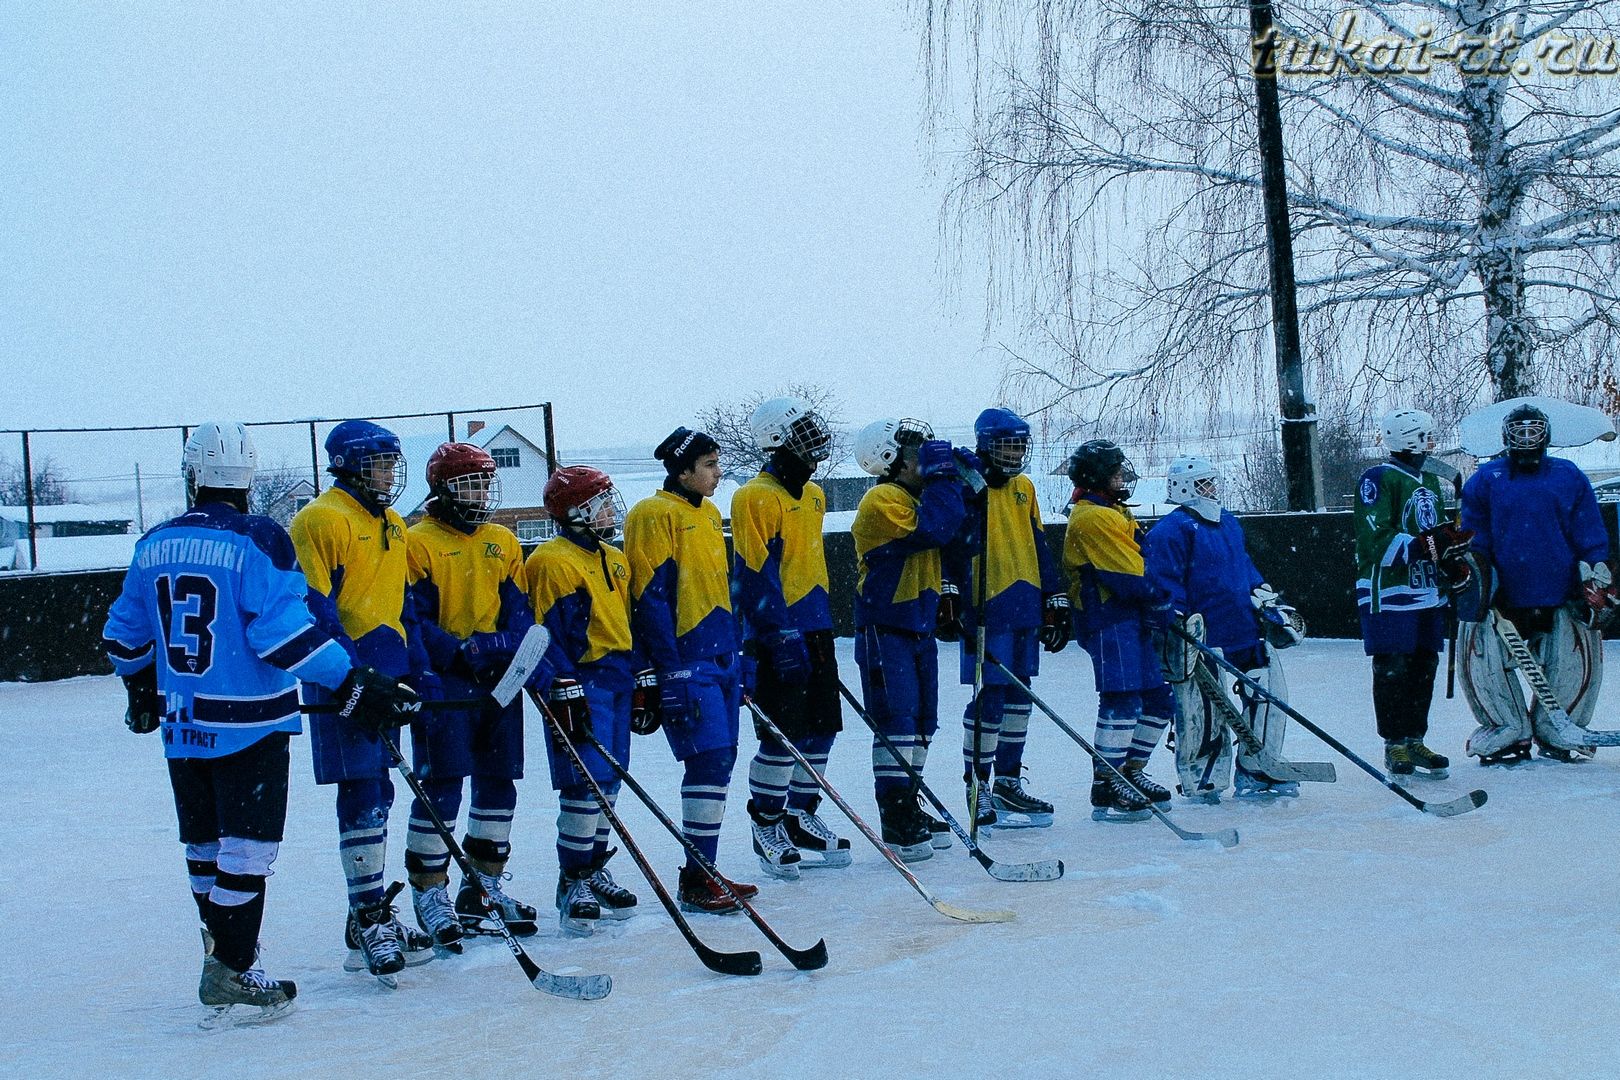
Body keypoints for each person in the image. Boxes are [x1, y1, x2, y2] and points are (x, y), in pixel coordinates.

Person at [103, 422, 414, 1021]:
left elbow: (123, 636)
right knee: (246, 852)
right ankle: (235, 969)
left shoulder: (154, 542)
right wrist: (351, 679)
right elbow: (282, 637)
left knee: (203, 847)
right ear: (248, 474)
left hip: (182, 726)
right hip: (251, 726)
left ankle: (222, 952)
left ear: (193, 473)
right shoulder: (260, 538)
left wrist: (141, 686)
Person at [290, 419, 437, 980]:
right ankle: (367, 914)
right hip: (344, 680)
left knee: (380, 786)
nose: (390, 474)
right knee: (360, 790)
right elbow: (315, 609)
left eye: (393, 464)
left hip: (390, 674)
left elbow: (402, 604)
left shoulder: (396, 524)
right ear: (349, 464)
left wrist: (414, 670)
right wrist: (352, 676)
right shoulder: (318, 520)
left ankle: (371, 908)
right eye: (381, 463)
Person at [403, 442, 559, 949]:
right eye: (468, 482)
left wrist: (507, 645)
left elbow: (517, 608)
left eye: (484, 481)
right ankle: (429, 891)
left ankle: (483, 888)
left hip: (499, 681)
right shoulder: (417, 541)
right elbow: (413, 617)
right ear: (441, 488)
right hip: (447, 684)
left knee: (498, 784)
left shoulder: (503, 540)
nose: (479, 492)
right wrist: (457, 652)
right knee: (442, 785)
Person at [623, 427, 758, 913]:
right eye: (708, 465)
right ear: (682, 471)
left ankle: (705, 871)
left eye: (717, 463)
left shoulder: (706, 515)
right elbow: (649, 599)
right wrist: (667, 670)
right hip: (689, 662)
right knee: (707, 761)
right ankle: (698, 879)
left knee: (721, 764)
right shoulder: (653, 514)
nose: (718, 473)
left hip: (722, 658)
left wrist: (739, 657)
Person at [733, 397, 852, 879]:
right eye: (801, 431)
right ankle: (766, 819)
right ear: (776, 439)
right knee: (782, 732)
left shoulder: (816, 495)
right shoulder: (753, 497)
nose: (813, 437)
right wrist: (776, 632)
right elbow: (753, 570)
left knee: (822, 726)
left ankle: (801, 812)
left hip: (817, 625)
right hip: (775, 632)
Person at [1459, 403, 1613, 764]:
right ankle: (1506, 731)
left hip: (1562, 593)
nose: (1526, 438)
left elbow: (1588, 529)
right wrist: (1476, 579)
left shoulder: (1569, 475)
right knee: (1484, 664)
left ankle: (1559, 731)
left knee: (1573, 665)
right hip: (1503, 598)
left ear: (1546, 434)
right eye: (1519, 431)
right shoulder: (1486, 478)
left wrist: (1596, 567)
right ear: (1505, 436)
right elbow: (1474, 536)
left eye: (1533, 430)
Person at [1145, 456, 1305, 800]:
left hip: (1243, 628)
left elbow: (1243, 568)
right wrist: (1176, 619)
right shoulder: (1169, 531)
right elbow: (1163, 583)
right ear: (1184, 489)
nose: (1211, 490)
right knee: (1204, 710)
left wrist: (1263, 597)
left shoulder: (1229, 523)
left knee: (1268, 696)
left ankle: (1259, 766)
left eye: (1212, 483)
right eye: (1204, 484)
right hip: (1202, 636)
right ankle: (1204, 777)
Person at [525, 465, 643, 934]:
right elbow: (548, 633)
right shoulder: (551, 561)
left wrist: (643, 675)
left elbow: (627, 620)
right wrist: (561, 682)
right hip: (581, 681)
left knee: (609, 780)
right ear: (576, 510)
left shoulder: (615, 558)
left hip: (617, 676)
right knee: (583, 783)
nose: (610, 509)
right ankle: (572, 877)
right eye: (601, 501)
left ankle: (593, 868)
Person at [850, 418, 969, 860]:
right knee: (897, 721)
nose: (925, 457)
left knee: (923, 721)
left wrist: (965, 478)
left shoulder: (919, 496)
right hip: (886, 624)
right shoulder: (883, 498)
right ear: (889, 459)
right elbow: (933, 529)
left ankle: (909, 796)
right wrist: (944, 479)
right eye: (915, 451)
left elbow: (960, 526)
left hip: (918, 624)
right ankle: (895, 811)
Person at [945, 407, 1068, 829]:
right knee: (990, 696)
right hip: (986, 602)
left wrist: (1055, 595)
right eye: (1006, 445)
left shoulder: (1026, 488)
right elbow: (953, 541)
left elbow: (1039, 543)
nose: (1014, 454)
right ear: (986, 444)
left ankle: (1009, 782)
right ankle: (976, 784)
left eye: (1020, 445)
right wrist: (952, 591)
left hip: (1024, 601)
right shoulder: (968, 482)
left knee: (1020, 696)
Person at [1354, 408, 1471, 778]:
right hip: (1388, 593)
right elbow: (1377, 539)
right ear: (1408, 438)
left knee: (1424, 665)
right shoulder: (1378, 478)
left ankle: (1415, 739)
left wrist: (1449, 559)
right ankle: (1394, 744)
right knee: (1393, 667)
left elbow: (1435, 535)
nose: (1430, 443)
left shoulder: (1431, 482)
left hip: (1426, 591)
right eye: (1426, 436)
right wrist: (1428, 543)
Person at [1062, 439, 1174, 822]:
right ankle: (1107, 781)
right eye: (1116, 472)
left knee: (1159, 701)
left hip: (1130, 618)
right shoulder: (1092, 517)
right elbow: (1131, 574)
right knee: (1122, 698)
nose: (1123, 477)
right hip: (1108, 618)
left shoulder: (1114, 511)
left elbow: (1146, 559)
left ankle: (1130, 771)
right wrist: (1159, 598)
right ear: (1096, 478)